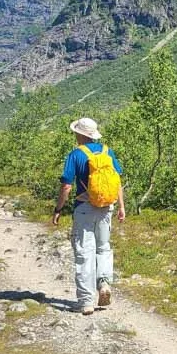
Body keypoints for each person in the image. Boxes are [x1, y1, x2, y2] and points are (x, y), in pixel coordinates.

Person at [51, 117, 126, 315]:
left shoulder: (76, 155)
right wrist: (121, 207)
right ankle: (104, 284)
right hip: (106, 207)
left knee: (85, 252)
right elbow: (117, 181)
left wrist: (58, 209)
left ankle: (86, 301)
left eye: (76, 132)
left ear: (81, 134)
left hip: (84, 207)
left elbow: (66, 186)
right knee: (103, 248)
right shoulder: (107, 151)